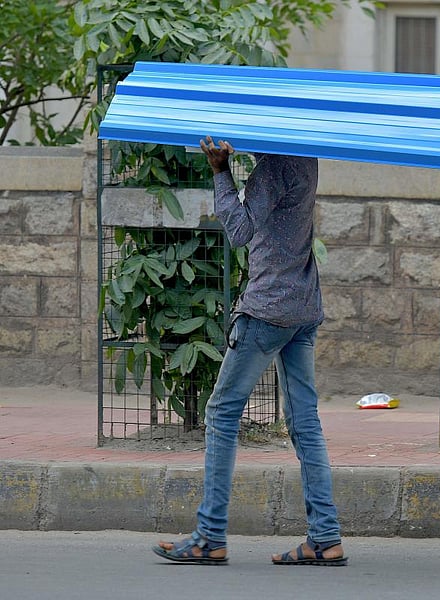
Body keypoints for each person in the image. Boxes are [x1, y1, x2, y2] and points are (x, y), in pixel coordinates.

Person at [153, 137, 346, 567]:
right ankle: (325, 537)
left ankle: (209, 536)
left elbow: (239, 231)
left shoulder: (272, 167)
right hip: (303, 305)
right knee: (305, 421)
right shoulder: (305, 156)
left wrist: (221, 170)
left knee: (221, 414)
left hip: (267, 310)